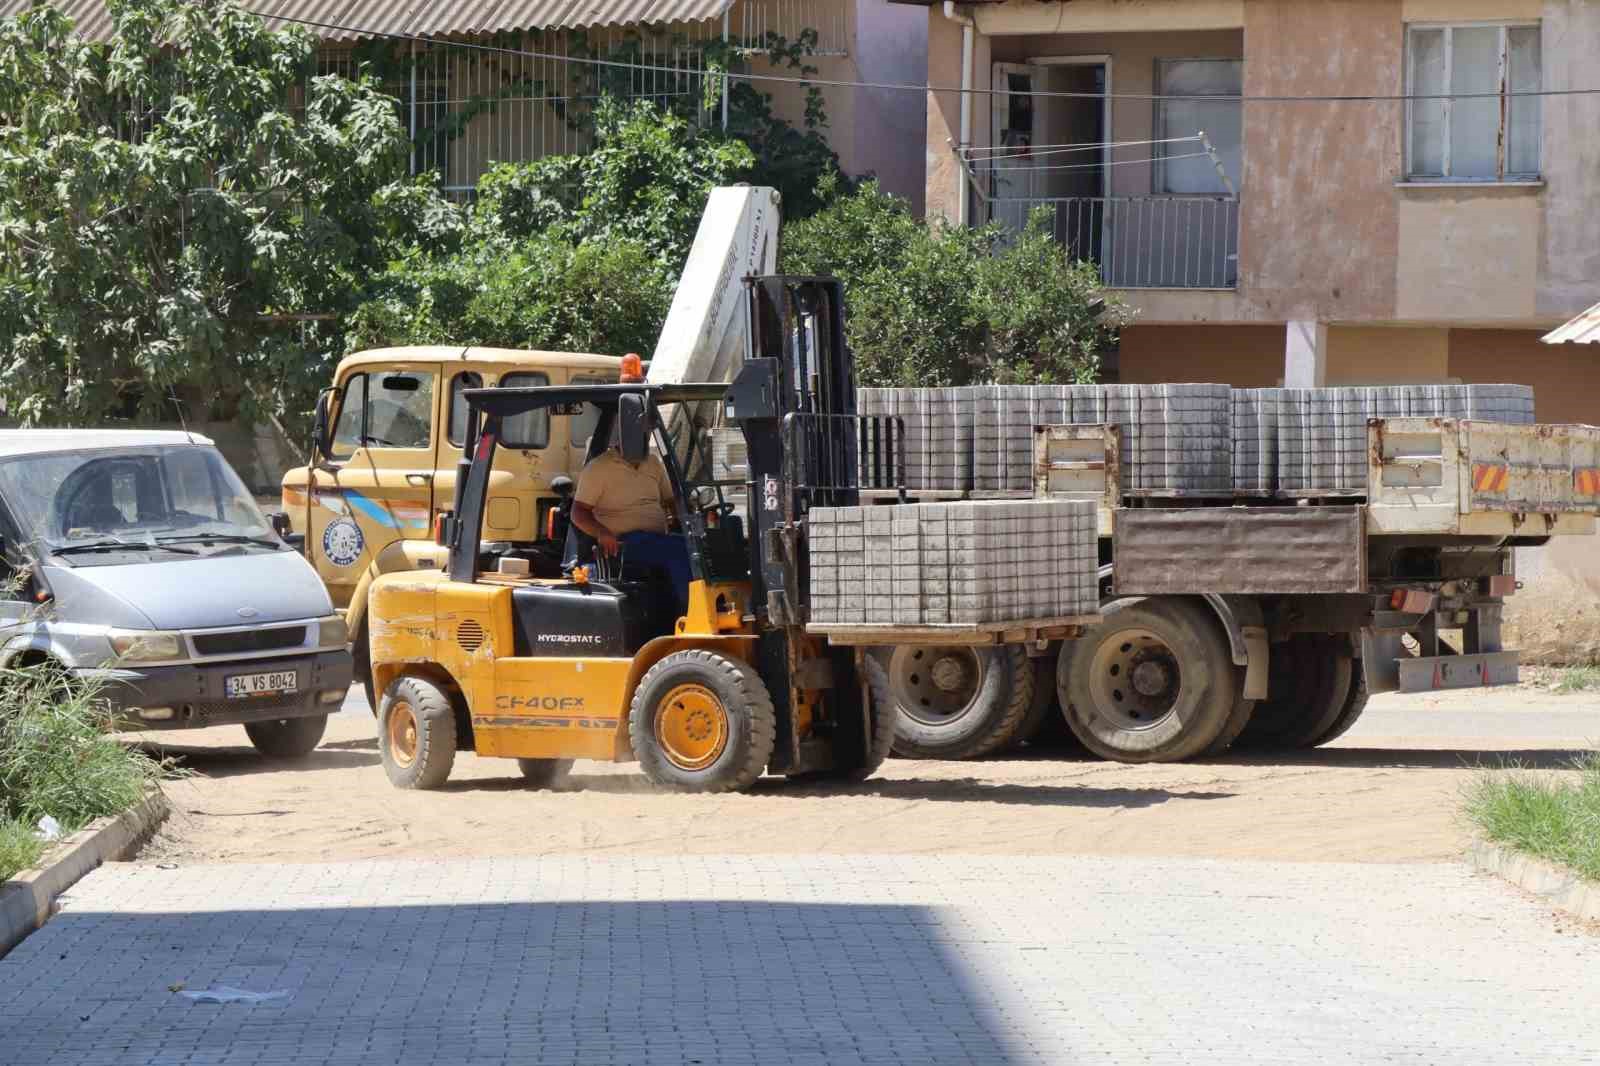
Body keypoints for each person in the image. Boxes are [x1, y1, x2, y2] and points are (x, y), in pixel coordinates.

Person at [569, 356, 692, 615]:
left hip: (655, 540)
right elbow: (579, 513)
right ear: (627, 430)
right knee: (682, 551)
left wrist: (687, 519)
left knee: (699, 544)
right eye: (641, 428)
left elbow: (671, 501)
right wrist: (603, 532)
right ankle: (690, 615)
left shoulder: (653, 464)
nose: (645, 433)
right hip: (624, 543)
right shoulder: (599, 468)